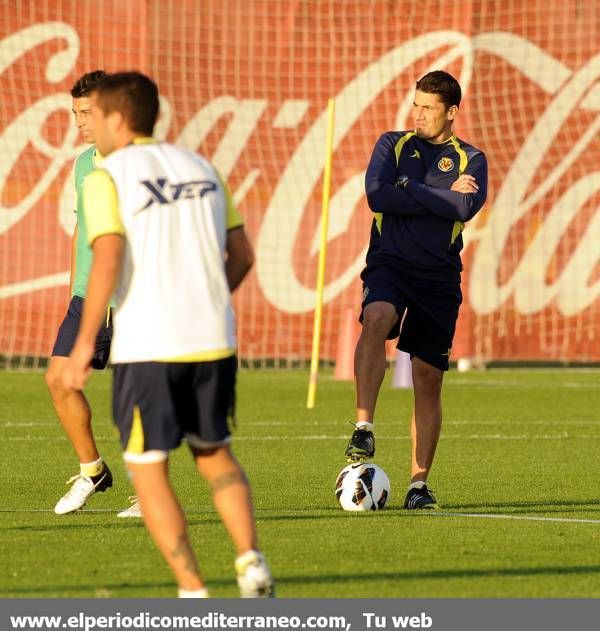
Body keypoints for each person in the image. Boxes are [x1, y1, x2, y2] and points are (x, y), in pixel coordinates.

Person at [62, 71, 274, 598]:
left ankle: (192, 590)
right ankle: (250, 562)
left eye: (94, 115)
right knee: (214, 452)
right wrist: (209, 300)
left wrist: (84, 341)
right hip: (212, 337)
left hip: (149, 342)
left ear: (115, 117)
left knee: (147, 468)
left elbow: (106, 255)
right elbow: (243, 255)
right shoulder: (202, 167)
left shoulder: (104, 176)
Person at [344, 70, 488, 510]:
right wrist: (438, 194)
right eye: (416, 104)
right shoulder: (393, 144)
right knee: (376, 317)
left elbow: (465, 206)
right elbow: (377, 196)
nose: (419, 113)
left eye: (428, 107)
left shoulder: (472, 158)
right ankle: (363, 427)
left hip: (439, 275)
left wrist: (409, 187)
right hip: (390, 262)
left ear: (452, 112)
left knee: (428, 379)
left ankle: (418, 485)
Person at [45, 70, 128, 515]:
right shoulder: (82, 164)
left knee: (136, 397)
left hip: (131, 298)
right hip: (87, 298)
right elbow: (82, 227)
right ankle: (93, 470)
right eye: (75, 113)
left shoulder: (137, 164)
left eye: (86, 113)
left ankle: (149, 493)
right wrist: (75, 287)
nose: (78, 122)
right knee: (58, 380)